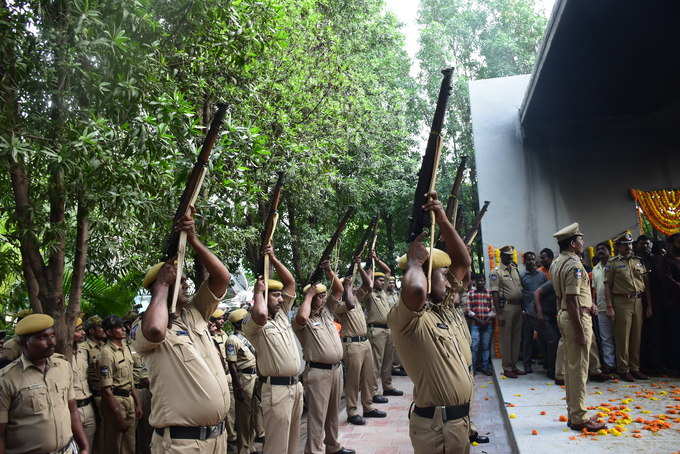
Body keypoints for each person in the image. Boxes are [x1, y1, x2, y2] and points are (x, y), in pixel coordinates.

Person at [132, 208, 231, 454]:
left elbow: (222, 278)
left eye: (185, 279)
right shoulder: (142, 325)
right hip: (182, 443)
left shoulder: (194, 312)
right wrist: (163, 285)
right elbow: (155, 331)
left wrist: (194, 239)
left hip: (217, 438)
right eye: (179, 279)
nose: (186, 283)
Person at [388, 191, 473, 454]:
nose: (450, 281)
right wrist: (414, 262)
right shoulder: (408, 319)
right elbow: (414, 292)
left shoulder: (445, 308)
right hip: (437, 429)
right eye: (443, 275)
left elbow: (463, 262)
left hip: (458, 424)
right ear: (424, 278)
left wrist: (443, 219)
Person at [242, 245, 303, 454]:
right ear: (264, 297)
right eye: (275, 295)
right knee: (277, 447)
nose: (281, 298)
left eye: (280, 295)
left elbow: (291, 283)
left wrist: (274, 259)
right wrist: (258, 291)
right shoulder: (253, 322)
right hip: (276, 390)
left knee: (293, 444)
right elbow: (259, 314)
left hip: (296, 387)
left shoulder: (281, 314)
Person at [0, 314, 90, 453]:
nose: (52, 342)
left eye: (52, 335)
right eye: (43, 337)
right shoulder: (6, 379)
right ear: (24, 342)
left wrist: (84, 445)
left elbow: (72, 410)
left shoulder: (63, 367)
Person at [293, 264, 355, 454]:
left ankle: (332, 446)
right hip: (318, 372)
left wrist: (329, 271)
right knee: (317, 415)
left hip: (336, 369)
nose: (322, 298)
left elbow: (339, 289)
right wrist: (309, 295)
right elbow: (302, 318)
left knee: (333, 413)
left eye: (321, 295)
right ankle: (314, 451)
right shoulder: (303, 319)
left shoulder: (327, 312)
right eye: (318, 296)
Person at [550, 222, 606, 432]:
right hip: (576, 318)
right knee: (579, 370)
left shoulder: (558, 262)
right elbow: (572, 299)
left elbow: (563, 297)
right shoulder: (574, 264)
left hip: (567, 315)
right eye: (581, 239)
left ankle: (575, 412)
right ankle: (579, 417)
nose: (583, 242)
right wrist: (581, 331)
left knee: (573, 368)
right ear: (573, 243)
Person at [333, 259, 384, 426]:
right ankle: (352, 411)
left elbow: (368, 285)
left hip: (365, 342)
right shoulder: (339, 304)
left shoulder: (356, 297)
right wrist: (346, 286)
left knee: (368, 378)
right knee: (353, 381)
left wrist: (360, 267)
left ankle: (368, 407)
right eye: (348, 286)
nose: (353, 287)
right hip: (352, 345)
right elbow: (348, 303)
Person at [605, 232, 651, 381]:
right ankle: (623, 369)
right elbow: (607, 287)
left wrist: (649, 305)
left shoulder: (638, 261)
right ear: (618, 247)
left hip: (638, 301)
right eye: (625, 245)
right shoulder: (612, 263)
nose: (628, 247)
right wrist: (610, 306)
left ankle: (635, 367)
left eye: (630, 244)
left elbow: (646, 284)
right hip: (621, 302)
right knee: (622, 337)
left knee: (636, 336)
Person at [356, 255, 403, 399]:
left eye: (383, 280)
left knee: (388, 361)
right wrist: (360, 268)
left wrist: (376, 259)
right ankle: (374, 392)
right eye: (380, 280)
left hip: (388, 329)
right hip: (376, 330)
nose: (383, 282)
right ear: (373, 281)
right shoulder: (369, 294)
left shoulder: (383, 292)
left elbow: (388, 270)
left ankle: (387, 386)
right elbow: (367, 284)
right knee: (376, 363)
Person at [98, 315, 141, 454]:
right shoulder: (106, 353)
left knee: (130, 442)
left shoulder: (126, 349)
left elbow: (130, 381)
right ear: (109, 332)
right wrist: (117, 413)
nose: (123, 329)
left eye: (122, 326)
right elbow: (106, 389)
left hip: (129, 400)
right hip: (116, 401)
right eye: (118, 327)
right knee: (115, 444)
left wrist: (137, 403)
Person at [225, 308, 263, 454]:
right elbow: (232, 365)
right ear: (241, 323)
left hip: (254, 378)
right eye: (247, 320)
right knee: (244, 419)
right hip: (244, 379)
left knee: (253, 416)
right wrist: (238, 387)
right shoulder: (232, 340)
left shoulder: (249, 337)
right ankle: (243, 449)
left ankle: (251, 447)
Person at [490, 246, 525, 378]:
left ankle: (514, 365)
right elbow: (494, 294)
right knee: (506, 338)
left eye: (511, 256)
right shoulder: (496, 272)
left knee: (516, 338)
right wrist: (499, 314)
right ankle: (507, 367)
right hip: (506, 308)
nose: (510, 258)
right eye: (508, 256)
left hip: (518, 307)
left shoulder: (515, 269)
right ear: (502, 256)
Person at [519, 252, 548, 374]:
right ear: (524, 262)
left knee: (543, 338)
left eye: (533, 259)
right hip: (527, 313)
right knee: (527, 340)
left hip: (539, 312)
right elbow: (519, 294)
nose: (531, 261)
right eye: (528, 260)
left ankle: (546, 363)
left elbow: (546, 294)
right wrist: (522, 310)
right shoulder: (521, 276)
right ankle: (527, 364)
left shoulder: (542, 276)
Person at [72, 317, 97, 450]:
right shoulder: (59, 354)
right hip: (71, 409)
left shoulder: (84, 350)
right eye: (79, 330)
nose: (83, 333)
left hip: (88, 406)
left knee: (89, 447)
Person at [591, 242, 615, 373]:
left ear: (609, 250)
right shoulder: (595, 269)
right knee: (606, 338)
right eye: (598, 249)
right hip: (601, 307)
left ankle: (624, 366)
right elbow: (594, 289)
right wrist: (593, 302)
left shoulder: (615, 264)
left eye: (603, 249)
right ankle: (610, 365)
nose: (600, 251)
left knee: (620, 337)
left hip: (617, 306)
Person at [465, 274, 495, 375]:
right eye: (479, 281)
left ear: (485, 281)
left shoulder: (489, 293)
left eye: (483, 281)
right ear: (475, 282)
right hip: (475, 324)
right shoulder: (471, 293)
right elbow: (469, 310)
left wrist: (486, 320)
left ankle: (485, 367)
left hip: (487, 323)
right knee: (474, 346)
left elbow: (493, 309)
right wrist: (479, 320)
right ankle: (473, 368)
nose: (481, 283)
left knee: (486, 346)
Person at [534, 280, 559, 379]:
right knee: (553, 340)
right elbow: (536, 293)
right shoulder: (553, 283)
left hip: (552, 315)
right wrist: (539, 312)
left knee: (550, 341)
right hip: (543, 315)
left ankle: (549, 366)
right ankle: (551, 370)